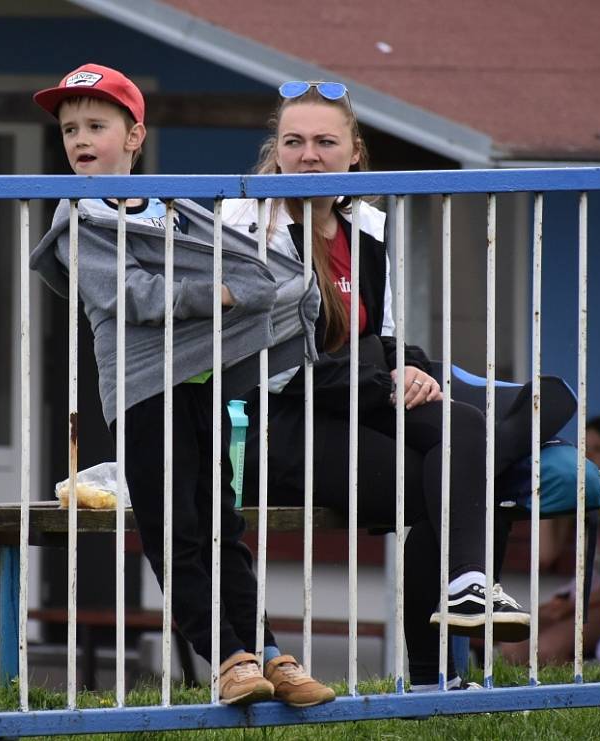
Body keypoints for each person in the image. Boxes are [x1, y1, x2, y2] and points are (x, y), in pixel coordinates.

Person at [29, 63, 334, 707]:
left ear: (135, 136)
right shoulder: (76, 215)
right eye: (69, 129)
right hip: (144, 390)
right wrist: (219, 295)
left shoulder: (172, 203)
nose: (81, 139)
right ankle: (225, 656)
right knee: (177, 530)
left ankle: (268, 654)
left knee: (221, 522)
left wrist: (264, 287)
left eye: (97, 125)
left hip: (200, 380)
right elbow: (131, 296)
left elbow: (240, 262)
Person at [222, 80, 535, 691]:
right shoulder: (246, 220)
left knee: (468, 429)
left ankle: (469, 586)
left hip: (358, 398)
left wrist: (409, 368)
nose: (308, 154)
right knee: (441, 482)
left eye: (323, 141)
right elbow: (275, 364)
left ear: (354, 150)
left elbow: (381, 337)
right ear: (276, 150)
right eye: (293, 141)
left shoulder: (366, 223)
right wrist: (388, 379)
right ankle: (429, 676)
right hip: (280, 419)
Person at [502, 414, 600, 665]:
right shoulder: (581, 495)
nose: (589, 458)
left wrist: (573, 605)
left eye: (599, 449)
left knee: (546, 649)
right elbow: (545, 555)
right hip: (579, 596)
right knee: (513, 645)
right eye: (583, 449)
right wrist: (549, 492)